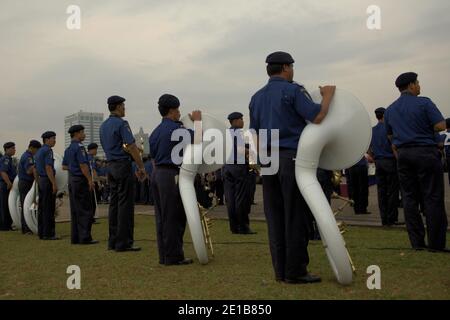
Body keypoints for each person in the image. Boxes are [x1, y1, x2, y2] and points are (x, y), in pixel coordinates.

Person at [249, 51, 335, 284]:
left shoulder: (256, 97)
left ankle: (281, 271)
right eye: (292, 67)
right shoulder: (292, 90)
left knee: (275, 217)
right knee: (295, 215)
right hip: (290, 157)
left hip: (268, 161)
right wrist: (328, 95)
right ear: (286, 68)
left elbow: (254, 133)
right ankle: (295, 271)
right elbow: (317, 116)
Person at [384, 72, 448, 253]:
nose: (419, 86)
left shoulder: (390, 109)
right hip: (425, 152)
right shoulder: (424, 103)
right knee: (432, 197)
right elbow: (441, 125)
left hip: (404, 155)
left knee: (409, 199)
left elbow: (390, 136)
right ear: (411, 85)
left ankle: (417, 242)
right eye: (418, 83)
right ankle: (436, 244)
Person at [149, 93, 201, 266]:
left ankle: (164, 255)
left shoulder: (155, 132)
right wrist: (198, 122)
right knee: (175, 216)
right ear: (172, 110)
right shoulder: (177, 129)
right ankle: (174, 256)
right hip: (172, 174)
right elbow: (198, 141)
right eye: (178, 110)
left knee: (162, 217)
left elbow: (154, 157)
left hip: (157, 174)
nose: (180, 113)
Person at [100, 95, 146, 252]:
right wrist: (141, 167)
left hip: (111, 166)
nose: (124, 109)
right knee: (125, 205)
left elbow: (115, 145)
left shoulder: (103, 125)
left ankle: (113, 241)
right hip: (122, 166)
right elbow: (132, 146)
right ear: (118, 107)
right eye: (123, 106)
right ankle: (124, 242)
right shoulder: (121, 123)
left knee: (114, 205)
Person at [64, 125, 98, 245]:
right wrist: (89, 180)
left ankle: (76, 237)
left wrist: (73, 168)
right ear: (77, 134)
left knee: (75, 210)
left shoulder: (68, 149)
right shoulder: (80, 148)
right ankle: (85, 237)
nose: (84, 135)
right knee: (85, 209)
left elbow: (64, 166)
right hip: (80, 180)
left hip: (72, 179)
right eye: (83, 132)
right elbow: (83, 166)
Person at [223, 112, 255, 234]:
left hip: (227, 167)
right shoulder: (238, 133)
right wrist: (250, 151)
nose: (243, 121)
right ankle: (243, 226)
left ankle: (234, 227)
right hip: (238, 167)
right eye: (241, 119)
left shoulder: (226, 134)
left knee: (230, 199)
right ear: (235, 121)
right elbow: (241, 150)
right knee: (241, 198)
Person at [369, 107, 400, 226]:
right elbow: (394, 145)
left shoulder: (372, 130)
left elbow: (370, 148)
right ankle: (392, 217)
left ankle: (384, 218)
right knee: (392, 191)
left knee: (381, 191)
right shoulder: (389, 129)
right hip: (390, 161)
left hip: (378, 162)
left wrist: (373, 156)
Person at [35, 131, 59, 240]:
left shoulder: (39, 151)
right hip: (47, 180)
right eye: (53, 138)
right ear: (47, 139)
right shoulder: (48, 150)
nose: (55, 140)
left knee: (42, 208)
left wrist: (38, 181)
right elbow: (48, 168)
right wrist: (54, 183)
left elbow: (35, 169)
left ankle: (41, 232)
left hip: (41, 180)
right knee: (49, 208)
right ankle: (48, 234)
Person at [18, 140, 42, 234]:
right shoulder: (28, 157)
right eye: (37, 150)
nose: (37, 152)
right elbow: (28, 171)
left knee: (27, 204)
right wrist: (37, 166)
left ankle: (26, 227)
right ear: (32, 148)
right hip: (25, 183)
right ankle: (26, 228)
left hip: (26, 182)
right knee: (25, 205)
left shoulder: (28, 156)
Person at [0, 142, 17, 231]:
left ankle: (7, 225)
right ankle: (4, 226)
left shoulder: (9, 159)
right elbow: (3, 172)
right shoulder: (5, 159)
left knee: (7, 204)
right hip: (5, 184)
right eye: (12, 148)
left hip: (6, 184)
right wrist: (8, 183)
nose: (14, 150)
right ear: (7, 149)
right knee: (4, 205)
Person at [87, 143, 100, 223]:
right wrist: (97, 181)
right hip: (91, 181)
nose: (96, 151)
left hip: (88, 180)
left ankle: (91, 217)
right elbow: (93, 170)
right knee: (92, 200)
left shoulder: (87, 157)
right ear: (91, 150)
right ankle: (91, 217)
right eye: (95, 149)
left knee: (91, 200)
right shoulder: (90, 158)